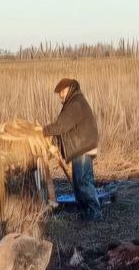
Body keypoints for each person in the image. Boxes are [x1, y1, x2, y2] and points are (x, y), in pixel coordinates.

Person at [43, 77, 101, 221]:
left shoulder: (75, 104)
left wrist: (42, 131)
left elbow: (61, 126)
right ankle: (86, 212)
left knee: (82, 182)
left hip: (82, 148)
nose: (61, 95)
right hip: (82, 147)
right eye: (59, 93)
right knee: (80, 181)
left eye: (63, 91)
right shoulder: (74, 103)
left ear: (71, 89)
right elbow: (64, 130)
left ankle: (94, 213)